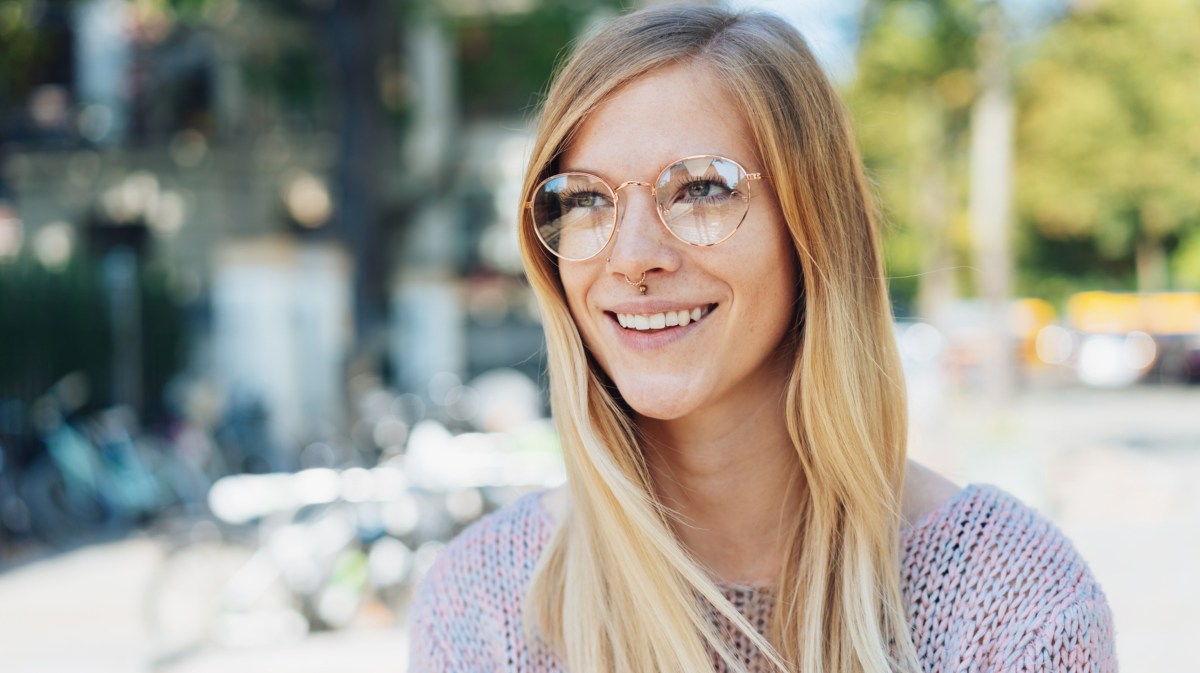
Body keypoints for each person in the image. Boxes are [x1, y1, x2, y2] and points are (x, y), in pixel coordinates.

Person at [408, 6, 1115, 672]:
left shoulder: (1010, 602)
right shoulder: (486, 605)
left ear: (811, 228)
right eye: (587, 198)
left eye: (701, 190)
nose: (630, 257)